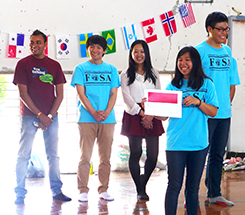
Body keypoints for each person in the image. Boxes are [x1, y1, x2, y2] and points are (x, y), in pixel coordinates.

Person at [13, 29, 71, 204]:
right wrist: (39, 115)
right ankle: (20, 193)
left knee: (53, 155)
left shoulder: (54, 65)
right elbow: (23, 93)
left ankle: (57, 190)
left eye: (38, 42)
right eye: (31, 42)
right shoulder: (23, 64)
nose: (34, 45)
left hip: (51, 118)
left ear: (45, 44)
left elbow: (60, 94)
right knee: (24, 154)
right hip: (30, 117)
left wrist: (49, 116)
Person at [164, 46, 218, 215]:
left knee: (193, 188)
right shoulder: (172, 86)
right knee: (174, 186)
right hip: (176, 144)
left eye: (187, 59)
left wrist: (199, 102)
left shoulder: (207, 85)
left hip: (199, 144)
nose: (183, 63)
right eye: (180, 59)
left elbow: (213, 111)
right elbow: (163, 116)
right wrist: (152, 107)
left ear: (195, 62)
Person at [195, 11, 240, 206]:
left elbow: (232, 83)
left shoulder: (228, 53)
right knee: (199, 154)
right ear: (209, 29)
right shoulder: (198, 51)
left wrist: (226, 103)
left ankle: (214, 193)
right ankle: (191, 195)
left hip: (224, 113)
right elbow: (193, 82)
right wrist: (205, 106)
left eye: (226, 29)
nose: (224, 33)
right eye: (220, 29)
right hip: (204, 113)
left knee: (217, 155)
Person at [71, 35, 120, 202]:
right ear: (88, 49)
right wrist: (93, 112)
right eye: (91, 47)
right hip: (86, 118)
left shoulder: (112, 69)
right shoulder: (81, 68)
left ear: (104, 50)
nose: (95, 50)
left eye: (99, 47)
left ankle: (103, 189)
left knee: (105, 156)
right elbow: (81, 93)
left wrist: (106, 112)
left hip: (108, 118)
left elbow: (114, 93)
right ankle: (83, 190)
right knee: (85, 156)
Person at [120, 40, 164, 200]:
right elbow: (127, 98)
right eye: (136, 51)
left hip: (152, 114)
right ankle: (140, 190)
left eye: (142, 51)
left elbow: (158, 94)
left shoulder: (155, 73)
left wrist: (151, 114)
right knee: (136, 152)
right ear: (131, 54)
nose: (139, 55)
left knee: (153, 156)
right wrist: (142, 113)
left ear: (147, 53)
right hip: (134, 115)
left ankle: (142, 184)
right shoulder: (125, 74)